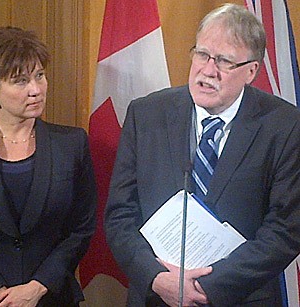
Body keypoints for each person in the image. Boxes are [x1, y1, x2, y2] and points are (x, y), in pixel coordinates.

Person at [105, 3, 300, 306]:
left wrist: (205, 286)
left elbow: (285, 230)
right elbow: (120, 214)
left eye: (224, 62)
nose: (208, 71)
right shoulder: (146, 114)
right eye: (202, 54)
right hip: (157, 295)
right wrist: (157, 277)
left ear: (251, 71)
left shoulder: (285, 126)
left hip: (239, 297)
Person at [0, 26, 97, 306]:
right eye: (20, 81)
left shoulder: (72, 144)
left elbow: (81, 229)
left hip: (51, 297)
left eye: (39, 76)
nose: (36, 89)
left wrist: (38, 287)